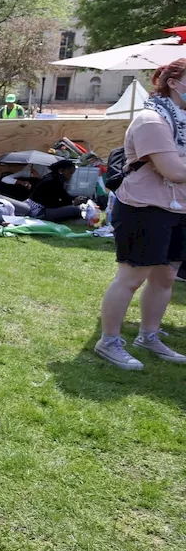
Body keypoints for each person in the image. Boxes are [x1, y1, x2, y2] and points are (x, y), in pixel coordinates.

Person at [95, 58, 186, 370]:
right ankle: (108, 341)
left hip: (179, 209)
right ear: (173, 82)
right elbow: (173, 170)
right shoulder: (152, 120)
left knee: (166, 276)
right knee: (133, 277)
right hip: (144, 207)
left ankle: (148, 336)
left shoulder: (183, 119)